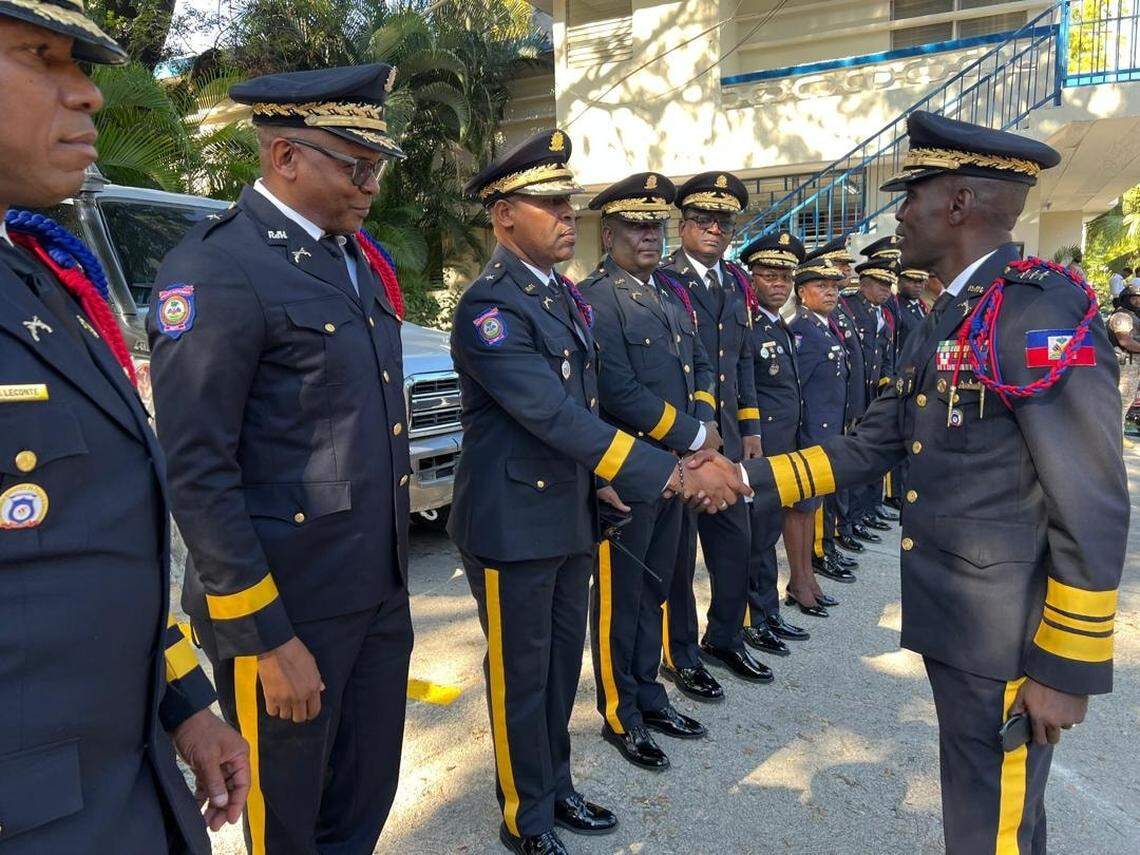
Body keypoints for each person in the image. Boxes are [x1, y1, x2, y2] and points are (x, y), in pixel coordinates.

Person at [737, 110, 1128, 854]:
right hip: (963, 627)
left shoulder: (1036, 310)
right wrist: (742, 477)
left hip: (1010, 638)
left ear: (957, 204)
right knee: (982, 815)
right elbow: (876, 439)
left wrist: (1066, 663)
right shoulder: (951, 311)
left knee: (996, 829)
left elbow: (1093, 500)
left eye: (911, 193)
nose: (899, 211)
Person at [449, 130, 749, 855]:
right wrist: (670, 471)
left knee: (557, 670)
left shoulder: (557, 297)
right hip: (509, 520)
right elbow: (549, 415)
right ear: (502, 216)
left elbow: (583, 408)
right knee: (522, 675)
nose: (564, 216)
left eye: (567, 202)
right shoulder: (490, 307)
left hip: (568, 511)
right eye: (549, 203)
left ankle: (556, 787)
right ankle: (525, 816)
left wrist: (604, 481)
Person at [0, 7, 249, 852]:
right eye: (42, 59)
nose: (90, 93)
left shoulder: (44, 275)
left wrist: (186, 705)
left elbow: (100, 545)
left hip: (127, 787)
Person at [148, 64, 415, 854]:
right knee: (287, 826)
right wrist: (266, 638)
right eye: (356, 166)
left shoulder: (351, 261)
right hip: (287, 614)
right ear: (285, 158)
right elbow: (198, 468)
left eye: (377, 167)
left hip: (375, 597)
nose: (371, 186)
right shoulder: (218, 268)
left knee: (362, 803)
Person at [578, 172, 715, 771]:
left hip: (677, 469)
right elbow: (618, 390)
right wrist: (692, 435)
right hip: (631, 472)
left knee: (657, 589)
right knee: (621, 597)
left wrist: (702, 436)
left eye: (655, 225)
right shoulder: (597, 298)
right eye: (635, 226)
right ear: (608, 233)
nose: (649, 236)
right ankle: (619, 711)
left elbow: (698, 369)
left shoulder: (668, 294)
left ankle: (649, 694)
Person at [659, 171, 773, 701]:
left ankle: (724, 636)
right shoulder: (663, 280)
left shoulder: (736, 283)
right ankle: (677, 654)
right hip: (680, 444)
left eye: (724, 222)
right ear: (683, 226)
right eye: (704, 220)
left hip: (725, 438)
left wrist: (748, 427)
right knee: (677, 560)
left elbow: (742, 360)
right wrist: (689, 440)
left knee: (737, 544)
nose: (715, 229)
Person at [738, 231, 820, 648]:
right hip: (761, 450)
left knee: (768, 532)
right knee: (755, 536)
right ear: (751, 278)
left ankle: (768, 610)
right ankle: (753, 617)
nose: (779, 284)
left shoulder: (781, 327)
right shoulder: (748, 327)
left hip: (784, 446)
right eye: (769, 276)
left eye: (785, 278)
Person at [782, 257, 849, 617]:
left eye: (834, 286)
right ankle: (798, 581)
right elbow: (797, 390)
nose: (830, 292)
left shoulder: (825, 326)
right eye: (821, 286)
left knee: (812, 510)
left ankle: (807, 578)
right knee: (799, 510)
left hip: (826, 435)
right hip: (808, 435)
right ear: (802, 292)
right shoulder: (803, 331)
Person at [1108, 282, 1140, 429]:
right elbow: (1125, 341)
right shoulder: (1122, 316)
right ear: (1126, 298)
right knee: (1119, 406)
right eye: (1134, 298)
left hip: (1131, 368)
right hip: (1124, 368)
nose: (1138, 301)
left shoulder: (1132, 316)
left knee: (1124, 406)